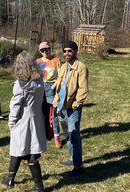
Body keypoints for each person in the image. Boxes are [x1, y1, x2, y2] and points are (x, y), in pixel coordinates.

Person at [2, 51, 47, 192]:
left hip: (23, 123)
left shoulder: (20, 85)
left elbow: (15, 107)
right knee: (18, 149)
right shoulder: (39, 81)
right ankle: (10, 178)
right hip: (37, 120)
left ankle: (39, 187)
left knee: (30, 155)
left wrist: (11, 124)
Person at [53, 40, 89, 176]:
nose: (67, 53)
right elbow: (59, 85)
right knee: (67, 136)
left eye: (69, 50)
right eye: (64, 51)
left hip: (72, 109)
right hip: (60, 108)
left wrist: (75, 106)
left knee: (74, 136)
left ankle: (78, 167)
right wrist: (56, 102)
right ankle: (73, 158)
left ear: (75, 51)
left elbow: (83, 90)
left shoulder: (81, 68)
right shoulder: (63, 67)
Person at [36, 42, 62, 148]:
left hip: (51, 88)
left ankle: (56, 137)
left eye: (46, 49)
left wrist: (54, 86)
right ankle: (42, 135)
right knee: (40, 113)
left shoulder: (56, 60)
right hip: (40, 88)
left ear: (49, 49)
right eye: (42, 50)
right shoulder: (37, 62)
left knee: (54, 114)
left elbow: (61, 76)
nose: (44, 52)